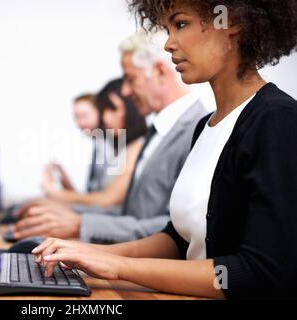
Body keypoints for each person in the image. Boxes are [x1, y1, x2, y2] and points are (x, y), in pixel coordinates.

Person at [32, 0, 297, 299]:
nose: (169, 44)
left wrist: (117, 266)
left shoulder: (277, 119)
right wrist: (89, 251)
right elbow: (178, 240)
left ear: (231, 22)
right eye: (168, 29)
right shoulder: (205, 127)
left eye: (180, 24)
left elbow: (259, 273)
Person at [14, 34, 207, 243]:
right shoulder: (157, 131)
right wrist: (65, 214)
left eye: (131, 79)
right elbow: (131, 215)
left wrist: (79, 223)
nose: (125, 90)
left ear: (160, 71)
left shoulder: (200, 130)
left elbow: (179, 230)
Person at [42, 78, 147, 208]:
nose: (80, 123)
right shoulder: (104, 143)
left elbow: (108, 199)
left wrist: (54, 191)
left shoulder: (130, 146)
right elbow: (94, 197)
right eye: (77, 117)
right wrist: (66, 184)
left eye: (84, 115)